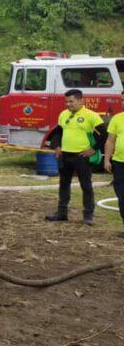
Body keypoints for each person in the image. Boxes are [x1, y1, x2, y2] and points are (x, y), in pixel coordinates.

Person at [45, 89, 106, 226]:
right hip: (65, 156)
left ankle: (88, 216)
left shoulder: (91, 115)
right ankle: (61, 213)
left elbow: (105, 134)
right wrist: (57, 146)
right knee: (64, 184)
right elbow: (58, 134)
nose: (68, 104)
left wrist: (94, 149)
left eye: (71, 101)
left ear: (80, 101)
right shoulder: (63, 114)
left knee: (86, 185)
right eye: (66, 101)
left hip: (81, 156)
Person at [104, 91, 124, 238]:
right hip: (119, 162)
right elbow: (110, 140)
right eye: (122, 100)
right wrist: (107, 159)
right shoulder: (117, 118)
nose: (123, 102)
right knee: (122, 196)